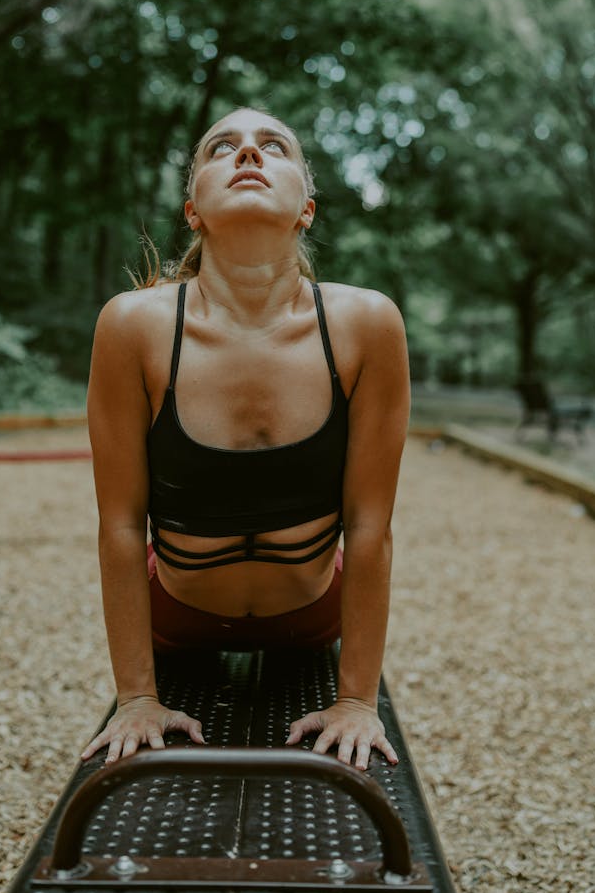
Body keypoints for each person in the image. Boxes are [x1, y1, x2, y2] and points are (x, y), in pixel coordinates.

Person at [82, 106, 410, 772]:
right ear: (193, 210)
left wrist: (356, 700)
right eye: (221, 147)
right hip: (175, 617)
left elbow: (370, 528)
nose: (249, 154)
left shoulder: (366, 324)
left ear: (306, 209)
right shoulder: (134, 328)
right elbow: (120, 525)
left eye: (274, 146)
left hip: (314, 617)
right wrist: (137, 695)